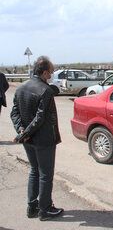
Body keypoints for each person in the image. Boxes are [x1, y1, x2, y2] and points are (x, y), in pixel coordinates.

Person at [10, 56, 63, 221]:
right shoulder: (45, 90)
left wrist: (21, 131)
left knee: (34, 171)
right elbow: (40, 118)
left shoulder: (21, 88)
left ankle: (32, 207)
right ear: (45, 72)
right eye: (51, 72)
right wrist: (23, 133)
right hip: (43, 139)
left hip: (29, 140)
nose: (52, 75)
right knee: (45, 174)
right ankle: (45, 209)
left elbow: (14, 113)